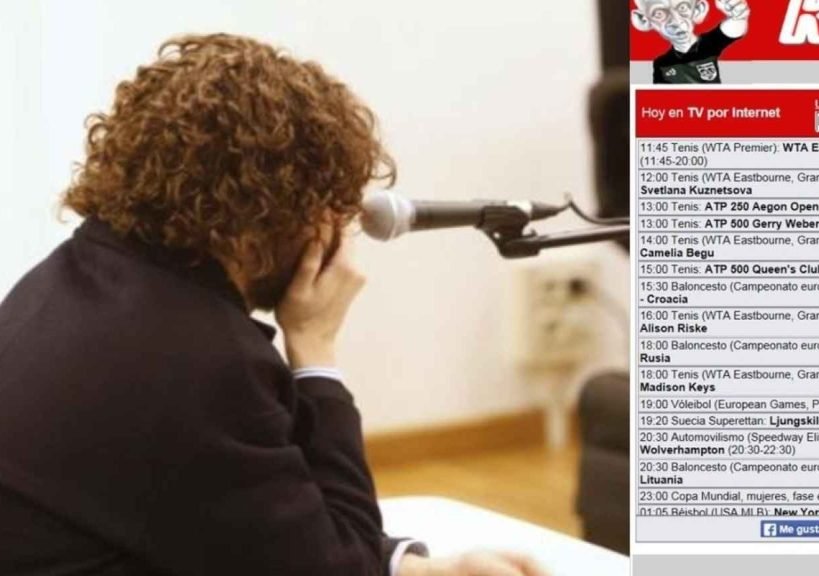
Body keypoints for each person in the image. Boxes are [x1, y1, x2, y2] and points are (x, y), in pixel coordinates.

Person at [0, 33, 546, 576]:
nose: (335, 230)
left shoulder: (64, 282)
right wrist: (316, 350)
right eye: (325, 206)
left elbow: (261, 527)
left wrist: (423, 569)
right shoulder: (202, 360)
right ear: (267, 210)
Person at [631, 0, 750, 84]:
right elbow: (658, 100)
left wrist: (739, 15)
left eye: (683, 8)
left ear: (698, 10)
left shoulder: (707, 45)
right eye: (659, 14)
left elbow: (731, 30)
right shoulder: (662, 64)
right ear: (643, 20)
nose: (676, 22)